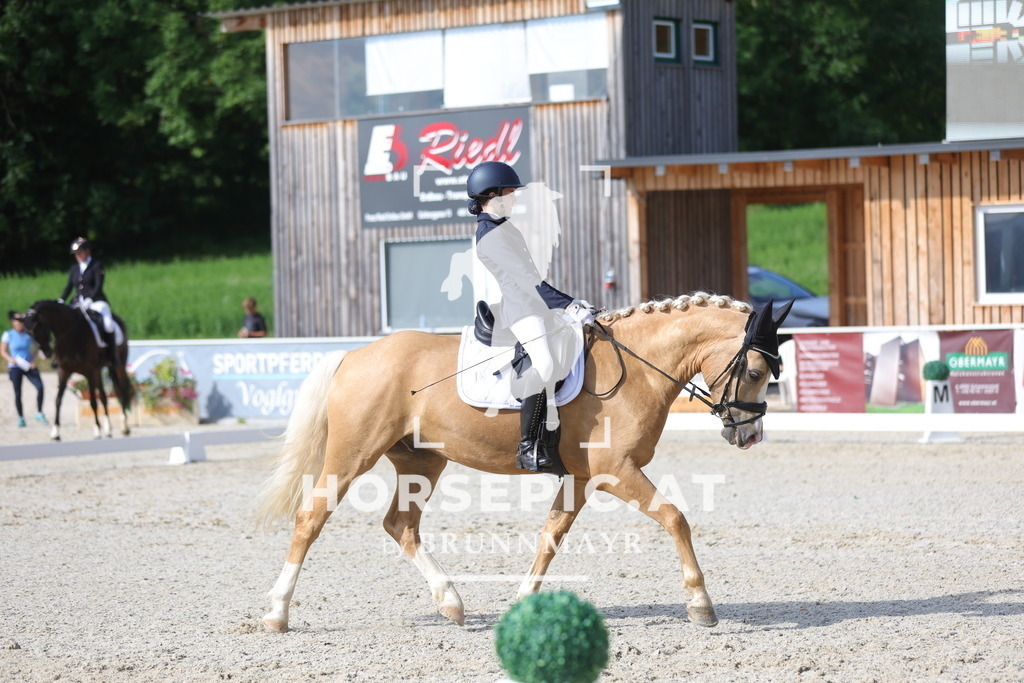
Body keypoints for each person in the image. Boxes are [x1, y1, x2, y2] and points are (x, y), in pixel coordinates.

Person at [467, 160, 596, 473]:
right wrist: (568, 305)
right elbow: (526, 280)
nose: (514, 199)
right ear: (492, 195)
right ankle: (528, 446)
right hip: (522, 310)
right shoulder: (491, 235)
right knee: (545, 364)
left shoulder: (504, 228)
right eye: (510, 194)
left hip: (534, 305)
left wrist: (569, 302)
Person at [59, 237, 118, 365]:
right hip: (78, 301)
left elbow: (98, 285)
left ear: (87, 251)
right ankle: (63, 354)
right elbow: (69, 286)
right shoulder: (74, 268)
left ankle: (112, 356)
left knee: (108, 324)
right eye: (76, 254)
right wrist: (61, 299)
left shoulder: (97, 265)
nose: (77, 256)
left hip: (97, 301)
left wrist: (90, 299)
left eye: (80, 253)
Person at [2, 311, 48, 428]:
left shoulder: (28, 335)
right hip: (15, 366)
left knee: (40, 387)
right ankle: (21, 417)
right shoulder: (8, 334)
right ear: (13, 323)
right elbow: (2, 350)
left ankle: (39, 412)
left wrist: (33, 360)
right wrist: (10, 359)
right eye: (19, 322)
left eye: (22, 322)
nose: (21, 324)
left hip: (28, 365)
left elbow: (37, 348)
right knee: (18, 392)